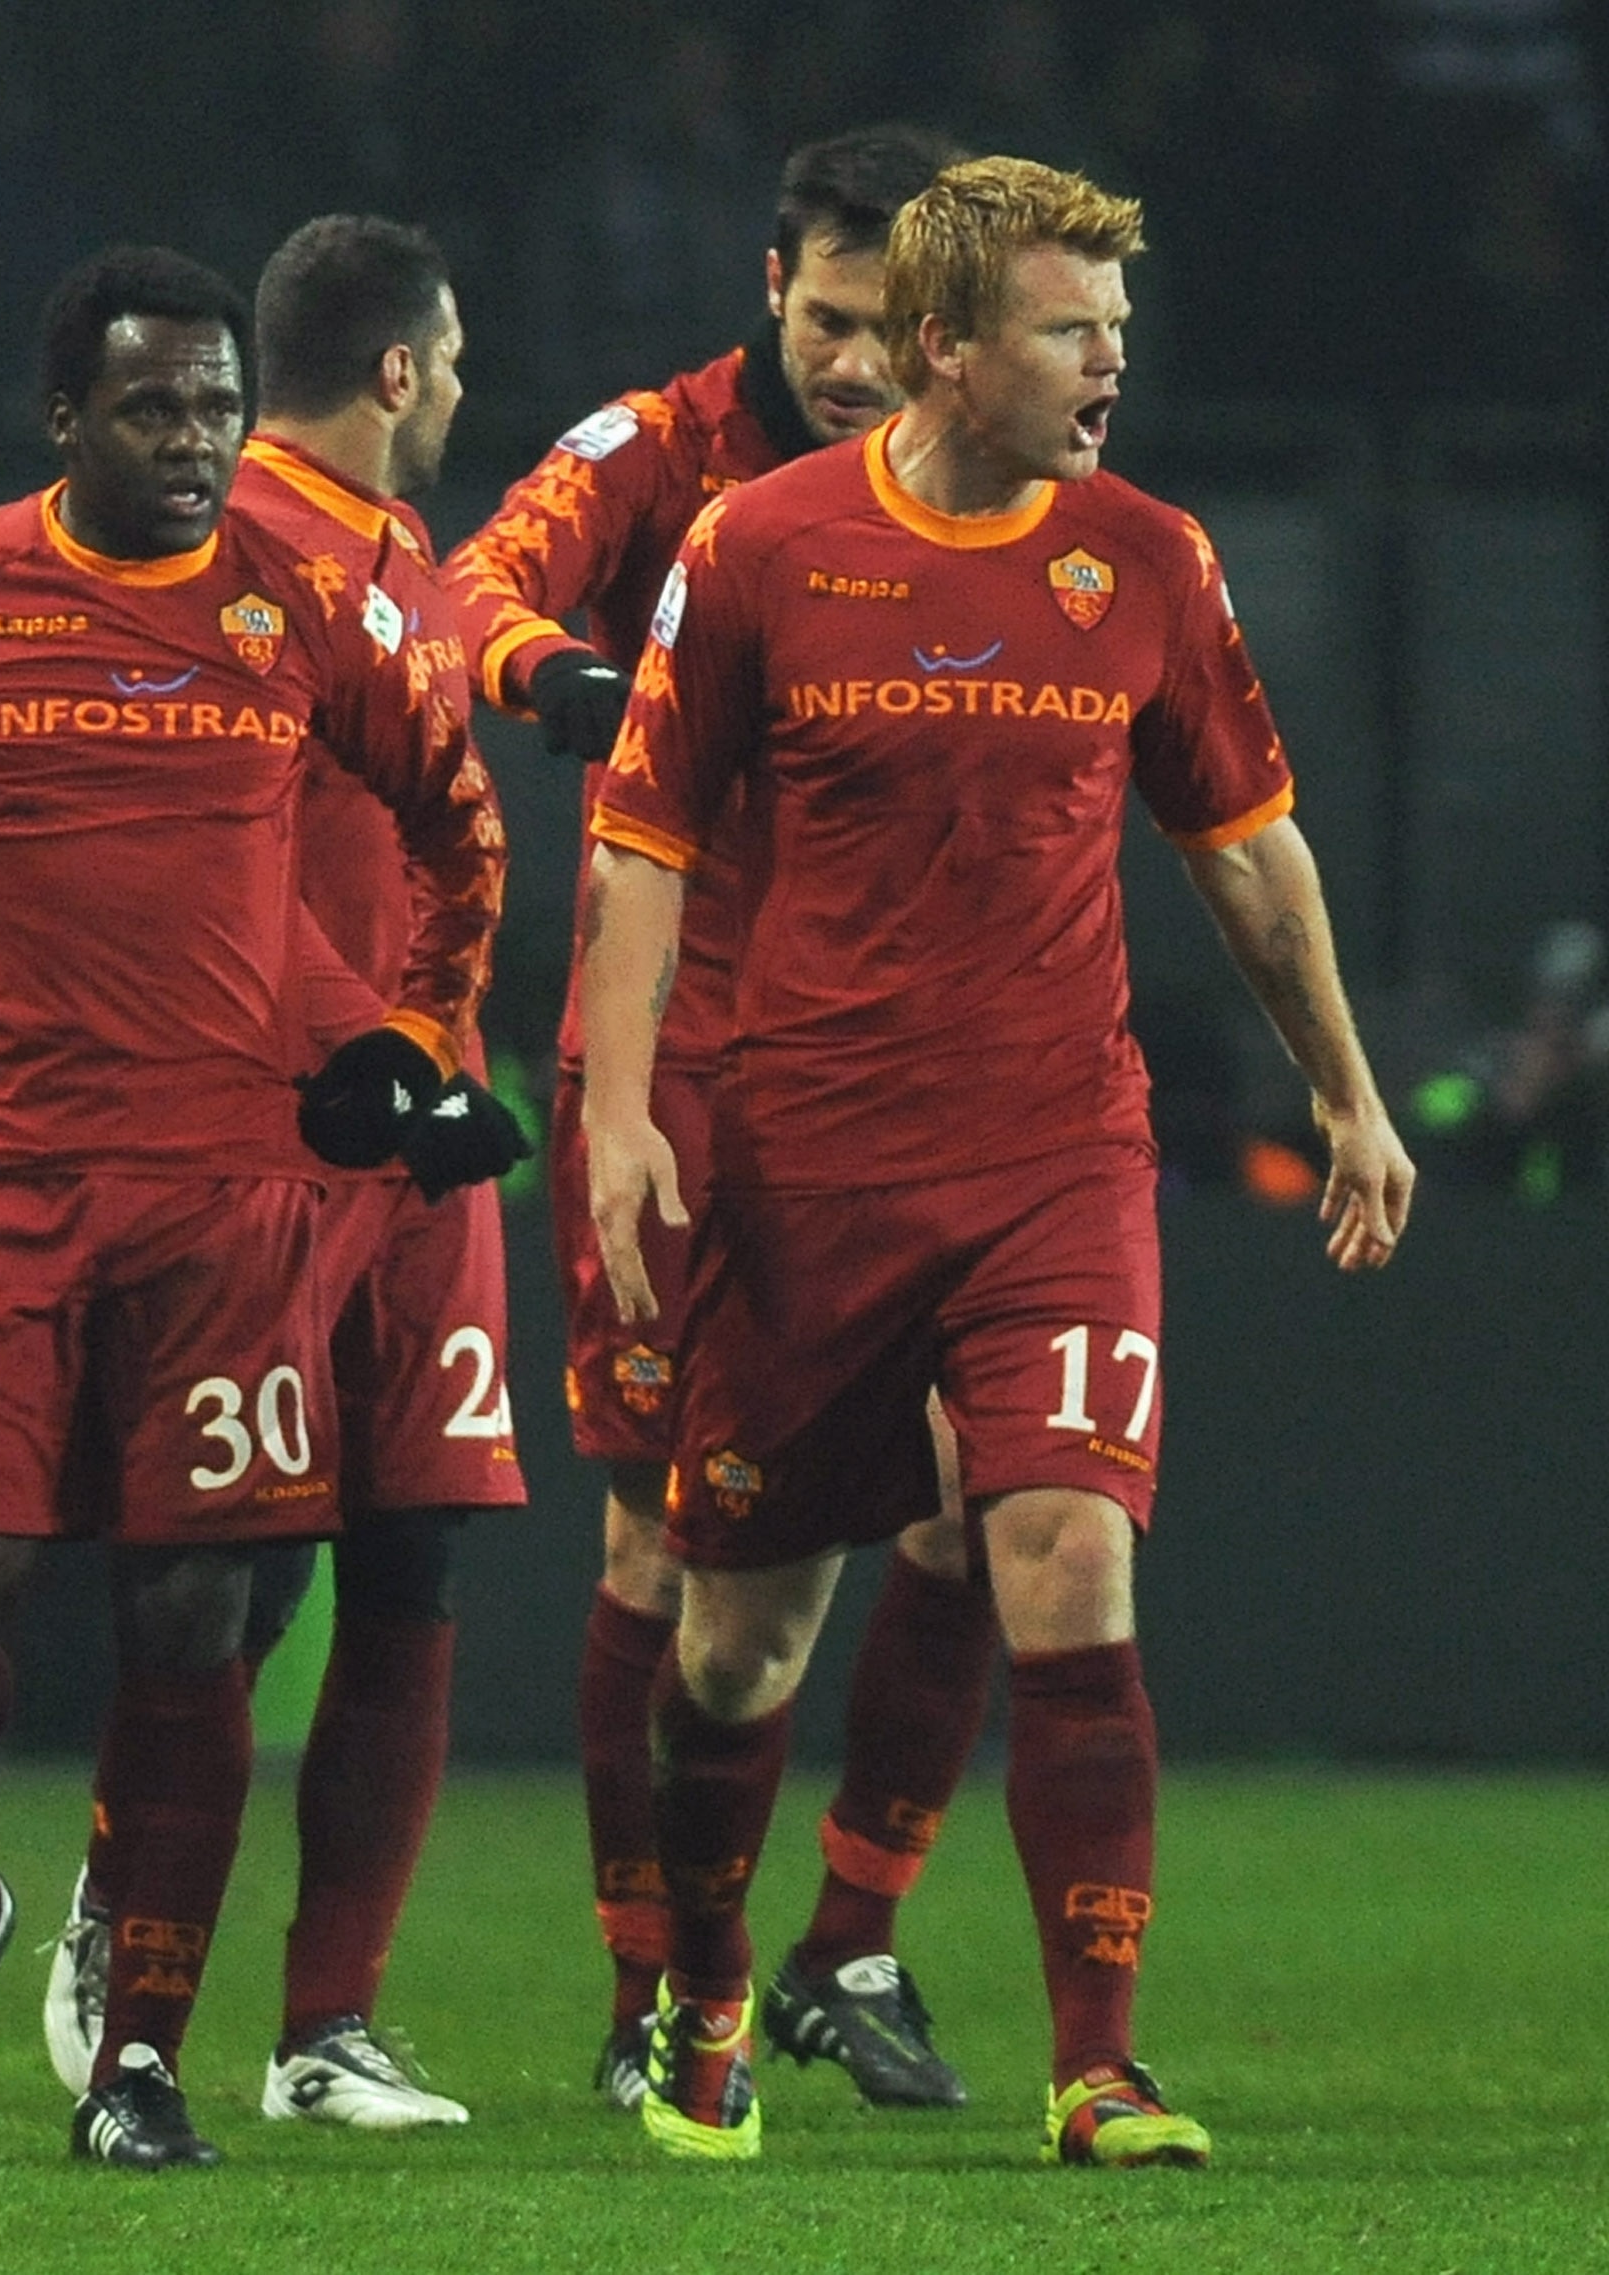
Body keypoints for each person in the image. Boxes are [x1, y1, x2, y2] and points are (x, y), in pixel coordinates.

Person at [578, 156, 1414, 2166]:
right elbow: (643, 847)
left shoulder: (1147, 556)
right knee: (740, 1635)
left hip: (1057, 1157)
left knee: (1067, 1554)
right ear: (945, 344)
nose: (1110, 360)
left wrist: (1350, 1088)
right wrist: (616, 1112)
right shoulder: (761, 546)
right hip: (806, 1164)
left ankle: (1098, 2060)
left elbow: (1247, 852)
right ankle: (703, 1992)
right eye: (1068, 327)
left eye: (1118, 328)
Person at [0, 245, 505, 2169]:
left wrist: (409, 1034)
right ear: (65, 420)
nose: (198, 444)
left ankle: (141, 2058)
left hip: (228, 1193)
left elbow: (457, 819)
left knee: (194, 1624)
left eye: (221, 409)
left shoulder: (300, 607)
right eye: (155, 410)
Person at [443, 124, 991, 2112]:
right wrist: (575, 683)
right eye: (828, 320)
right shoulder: (656, 450)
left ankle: (852, 1938)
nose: (854, 363)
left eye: (891, 327)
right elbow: (470, 587)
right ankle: (650, 1985)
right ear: (772, 284)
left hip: (895, 1058)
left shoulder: (973, 470)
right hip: (667, 1051)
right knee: (664, 1542)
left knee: (967, 1500)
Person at [39, 213, 530, 2132]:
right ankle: (122, 1907)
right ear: (400, 370)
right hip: (268, 1133)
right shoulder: (219, 557)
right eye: (458, 357)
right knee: (232, 1587)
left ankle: (329, 2026)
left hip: (429, 1130)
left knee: (411, 1560)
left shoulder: (403, 560)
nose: (466, 390)